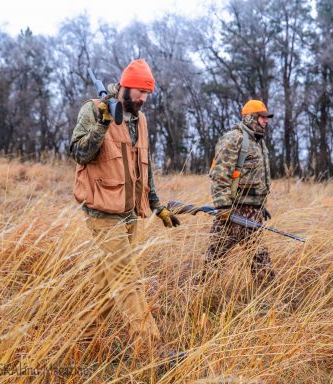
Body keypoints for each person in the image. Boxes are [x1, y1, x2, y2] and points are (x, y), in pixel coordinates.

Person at [69, 59, 180, 344]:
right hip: (102, 210)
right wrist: (102, 125)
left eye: (147, 93)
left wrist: (158, 206)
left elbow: (146, 167)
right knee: (128, 278)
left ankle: (82, 339)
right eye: (139, 92)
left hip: (131, 212)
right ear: (124, 86)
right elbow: (79, 153)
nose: (143, 99)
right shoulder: (94, 110)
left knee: (108, 282)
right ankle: (152, 347)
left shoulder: (140, 120)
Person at [205, 99, 275, 287]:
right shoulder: (234, 139)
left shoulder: (258, 143)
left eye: (266, 118)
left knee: (259, 260)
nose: (266, 121)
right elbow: (219, 176)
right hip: (233, 211)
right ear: (251, 117)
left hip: (253, 212)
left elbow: (254, 177)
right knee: (215, 260)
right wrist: (224, 207)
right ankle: (201, 298)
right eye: (262, 117)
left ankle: (267, 301)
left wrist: (260, 205)